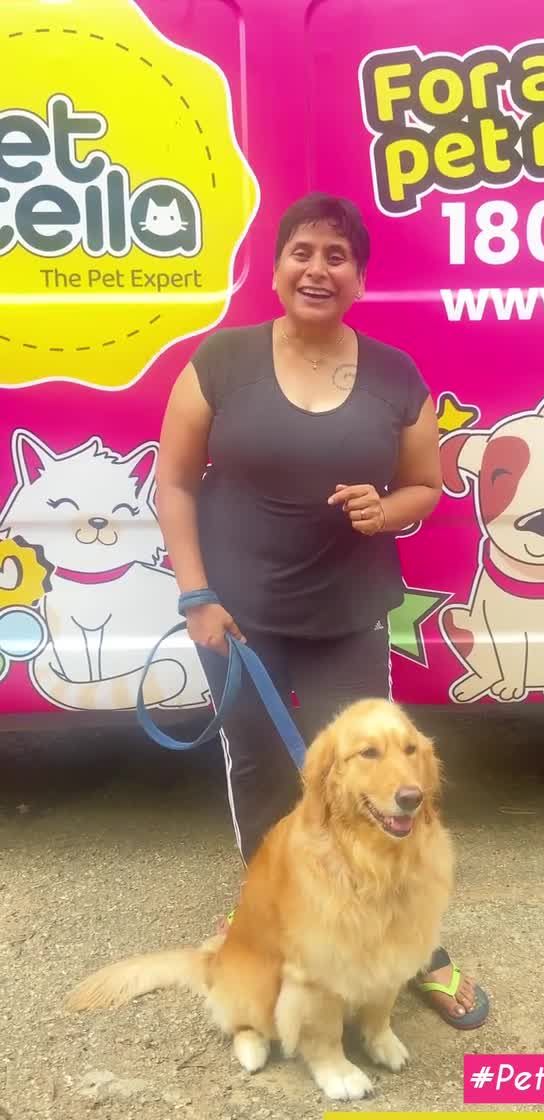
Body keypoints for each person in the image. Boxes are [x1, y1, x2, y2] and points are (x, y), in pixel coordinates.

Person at [155, 191, 489, 1030]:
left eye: (337, 257)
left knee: (384, 783)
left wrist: (388, 509)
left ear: (359, 280)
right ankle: (271, 920)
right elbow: (175, 483)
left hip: (348, 613)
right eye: (301, 252)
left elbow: (426, 485)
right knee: (261, 773)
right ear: (275, 270)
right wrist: (197, 596)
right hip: (239, 620)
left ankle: (412, 947)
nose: (317, 269)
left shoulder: (394, 375)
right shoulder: (221, 361)